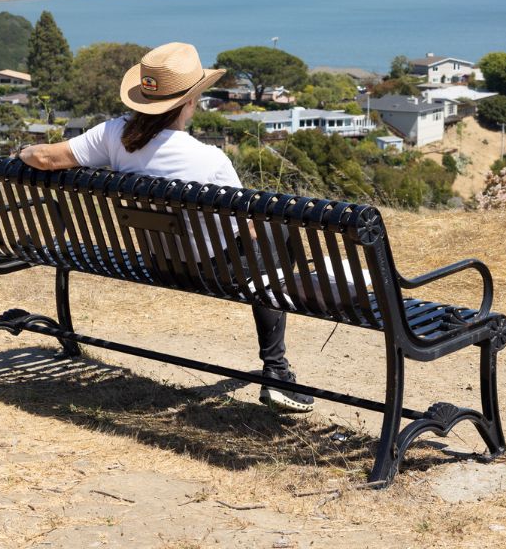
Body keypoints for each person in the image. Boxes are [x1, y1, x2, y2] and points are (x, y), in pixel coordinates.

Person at [17, 41, 314, 413]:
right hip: (210, 272)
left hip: (157, 262)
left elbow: (44, 156)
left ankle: (277, 371)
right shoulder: (210, 160)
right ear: (190, 101)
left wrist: (21, 153)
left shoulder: (113, 136)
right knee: (273, 239)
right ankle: (276, 373)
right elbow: (248, 230)